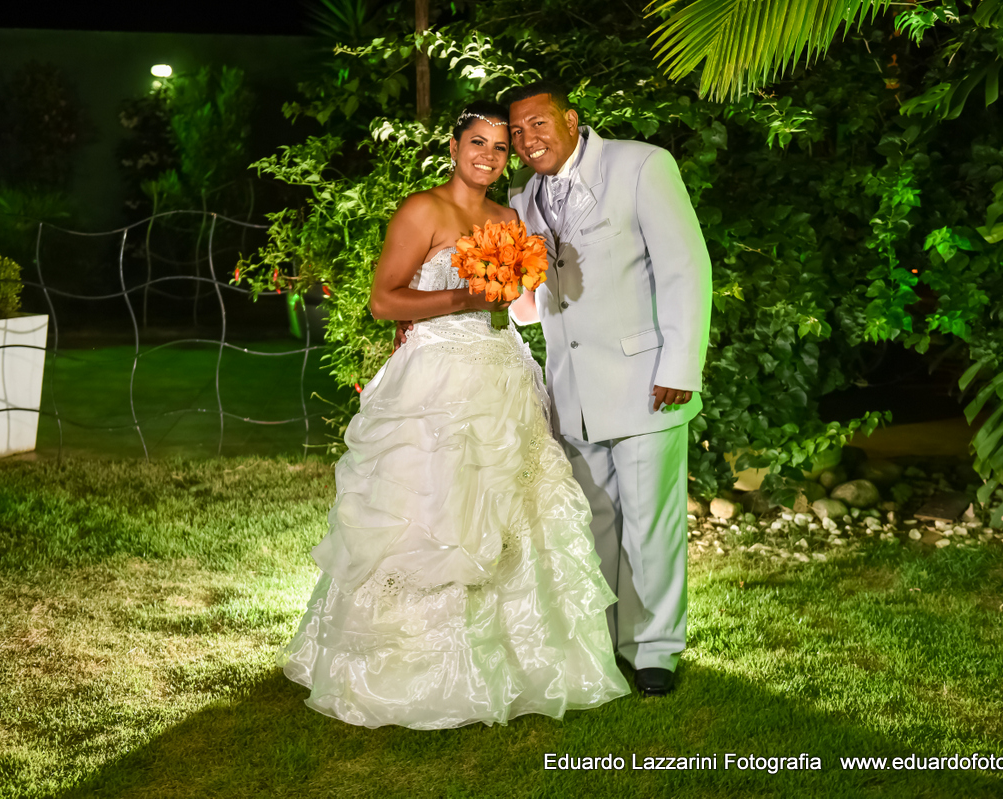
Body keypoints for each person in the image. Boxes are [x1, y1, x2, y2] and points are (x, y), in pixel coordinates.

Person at [280, 101, 630, 729]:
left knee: (511, 510)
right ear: (453, 147)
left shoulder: (508, 217)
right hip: (436, 381)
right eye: (478, 143)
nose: (489, 156)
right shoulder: (423, 209)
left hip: (501, 373)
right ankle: (411, 668)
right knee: (433, 511)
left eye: (500, 147)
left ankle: (519, 661)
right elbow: (384, 301)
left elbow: (520, 309)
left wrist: (528, 278)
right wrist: (462, 297)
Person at [504, 81, 712, 697]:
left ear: (570, 120)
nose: (527, 139)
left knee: (651, 525)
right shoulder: (523, 199)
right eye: (517, 131)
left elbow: (685, 267)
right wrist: (507, 287)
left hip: (647, 382)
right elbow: (533, 307)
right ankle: (606, 641)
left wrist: (680, 367)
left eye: (538, 123)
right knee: (596, 523)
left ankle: (654, 650)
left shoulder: (641, 165)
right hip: (571, 392)